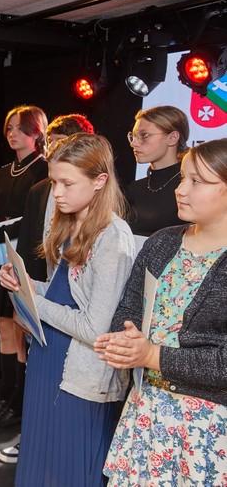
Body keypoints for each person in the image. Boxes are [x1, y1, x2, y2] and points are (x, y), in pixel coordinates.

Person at [0, 133, 135, 486]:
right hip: (49, 354)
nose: (56, 193)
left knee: (69, 468)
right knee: (41, 459)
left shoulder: (113, 237)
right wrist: (25, 285)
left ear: (100, 180)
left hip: (79, 370)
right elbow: (65, 293)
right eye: (54, 182)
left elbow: (94, 327)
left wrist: (36, 301)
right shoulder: (72, 223)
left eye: (67, 183)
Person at [96, 138, 227, 486]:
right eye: (183, 178)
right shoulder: (163, 242)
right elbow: (128, 308)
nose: (181, 190)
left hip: (208, 428)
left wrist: (152, 355)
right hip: (146, 409)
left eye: (197, 181)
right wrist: (124, 340)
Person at [0, 113, 95, 464]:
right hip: (41, 288)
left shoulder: (104, 216)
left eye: (62, 144)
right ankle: (30, 432)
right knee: (35, 367)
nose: (54, 150)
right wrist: (24, 292)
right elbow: (29, 247)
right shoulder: (41, 190)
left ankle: (56, 446)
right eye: (51, 143)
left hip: (75, 306)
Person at [0, 105, 48, 435]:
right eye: (9, 128)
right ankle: (4, 398)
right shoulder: (4, 171)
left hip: (25, 258)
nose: (13, 134)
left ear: (36, 132)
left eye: (20, 128)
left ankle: (18, 404)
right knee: (3, 326)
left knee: (21, 329)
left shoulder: (44, 169)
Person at [124, 105, 189, 239]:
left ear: (173, 137)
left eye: (144, 135)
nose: (133, 143)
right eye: (133, 136)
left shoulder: (188, 189)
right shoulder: (133, 189)